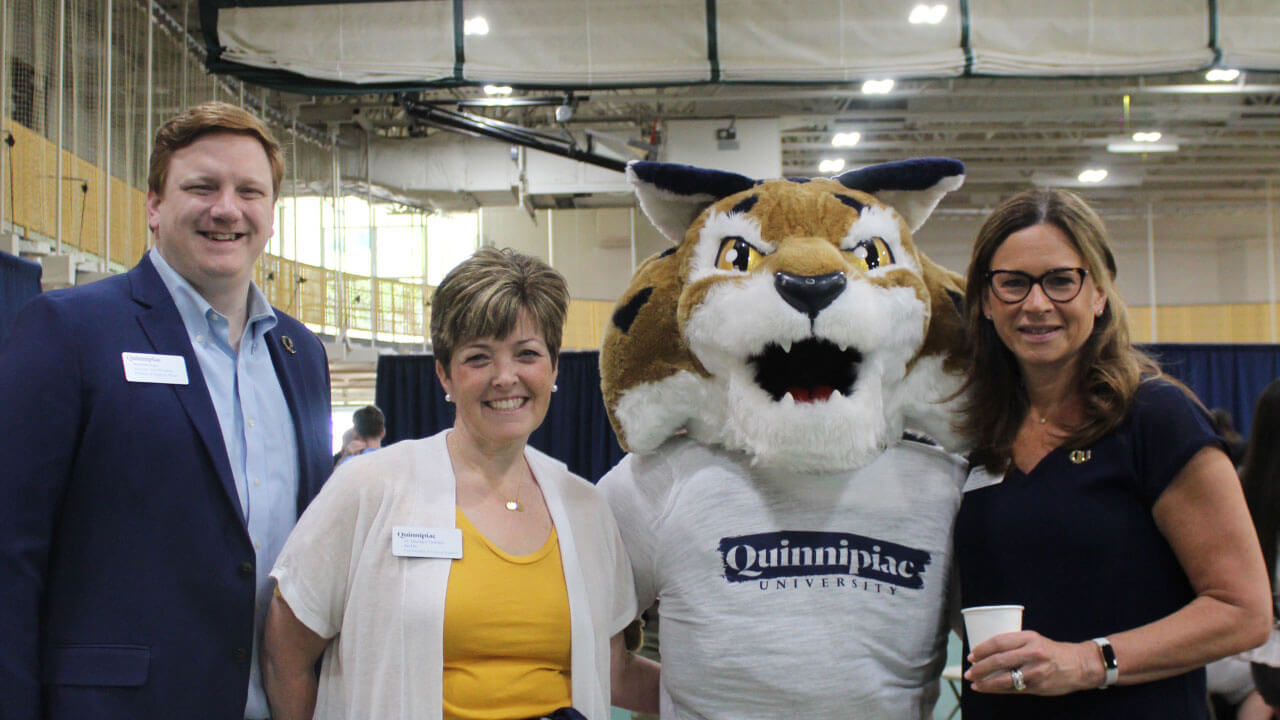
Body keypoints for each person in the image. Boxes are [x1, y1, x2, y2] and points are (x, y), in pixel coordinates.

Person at [0, 101, 333, 720]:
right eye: (201, 187)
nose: (226, 208)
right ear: (154, 205)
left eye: (249, 191)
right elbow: (10, 555)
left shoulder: (302, 355)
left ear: (269, 214)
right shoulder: (69, 331)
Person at [262, 247, 658, 720]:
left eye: (527, 354)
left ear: (554, 368)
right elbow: (284, 652)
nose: (505, 377)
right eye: (478, 357)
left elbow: (610, 670)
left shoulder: (586, 508)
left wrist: (745, 689)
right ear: (444, 374)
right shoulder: (371, 488)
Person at [952, 187, 1271, 719]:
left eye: (1060, 281)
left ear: (1098, 293)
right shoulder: (975, 432)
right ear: (985, 300)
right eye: (1012, 284)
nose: (1036, 304)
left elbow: (1243, 611)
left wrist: (1086, 661)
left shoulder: (1155, 418)